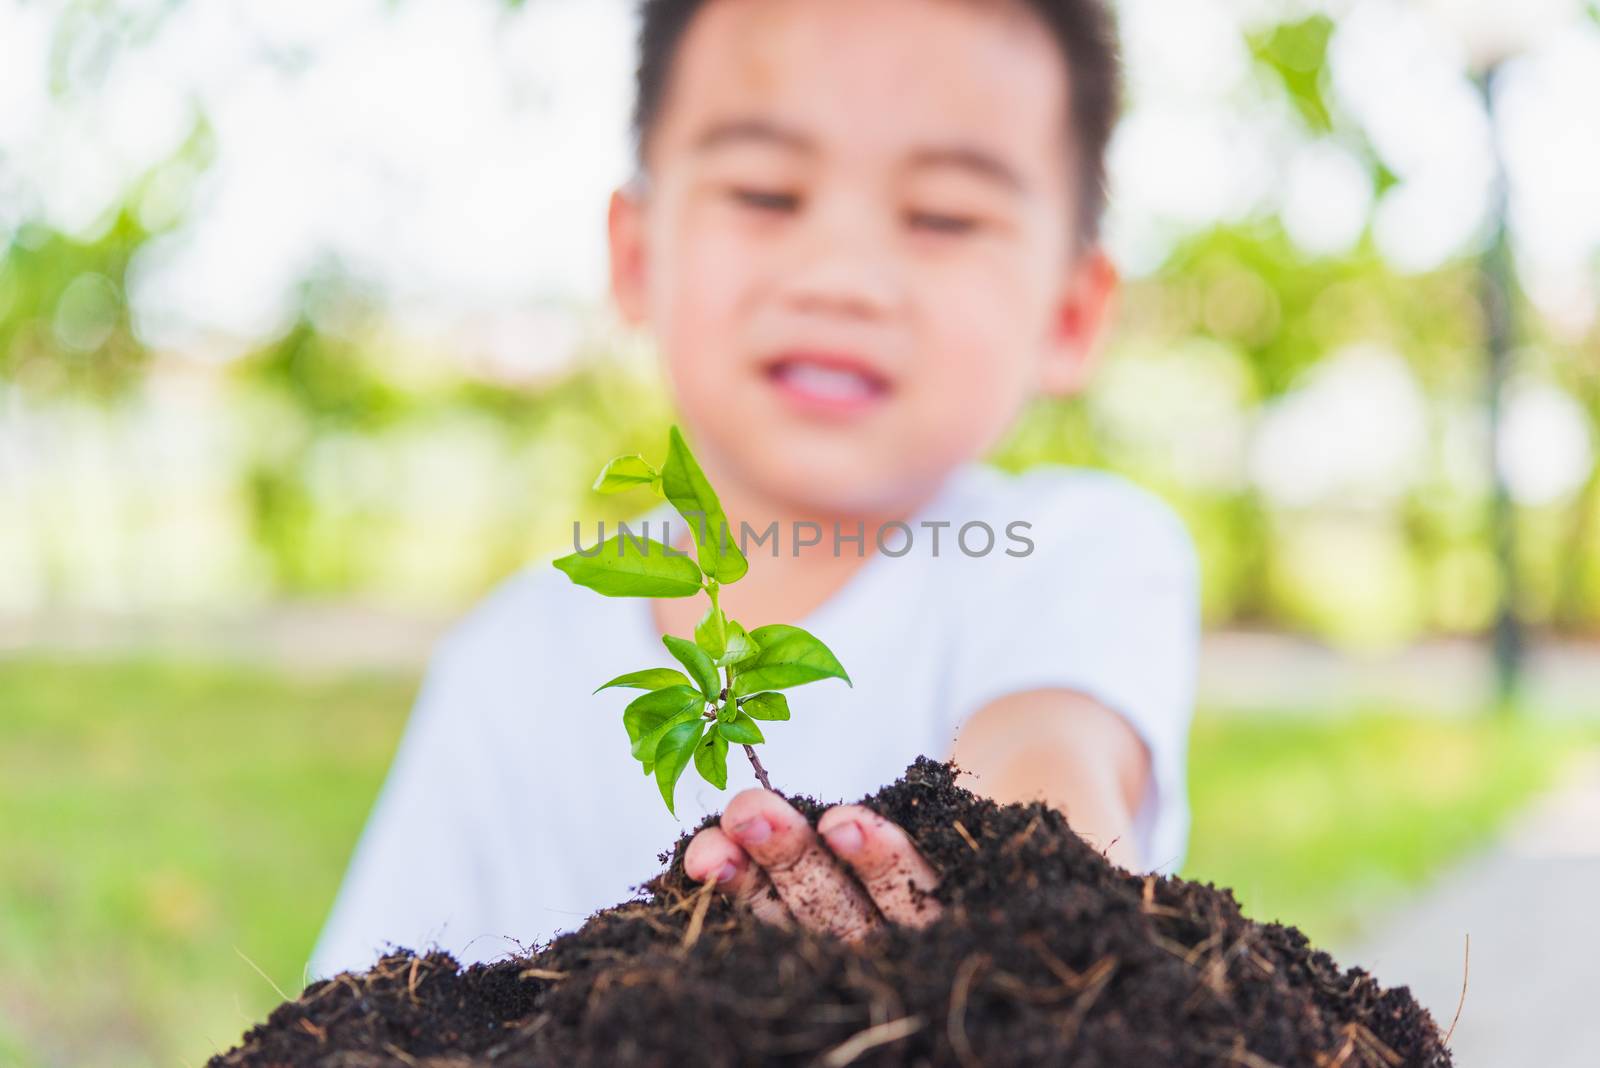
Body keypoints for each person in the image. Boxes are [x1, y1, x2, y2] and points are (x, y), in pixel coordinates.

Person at [309, 0, 1198, 976]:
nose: (841, 276)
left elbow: (1051, 785)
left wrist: (1000, 935)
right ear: (637, 254)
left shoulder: (1072, 554)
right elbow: (366, 1000)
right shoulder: (510, 664)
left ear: (1069, 313)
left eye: (943, 215)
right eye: (768, 194)